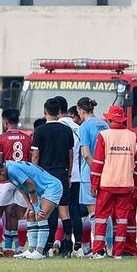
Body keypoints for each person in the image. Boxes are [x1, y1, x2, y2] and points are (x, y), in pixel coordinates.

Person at [90, 106, 137, 259]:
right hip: (126, 185)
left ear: (111, 119)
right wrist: (134, 179)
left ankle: (99, 251)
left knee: (101, 218)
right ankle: (118, 252)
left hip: (106, 184)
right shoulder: (133, 136)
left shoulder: (104, 136)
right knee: (122, 219)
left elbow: (97, 163)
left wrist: (94, 184)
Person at [0, 160, 63, 260]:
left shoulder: (12, 169)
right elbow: (21, 187)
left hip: (51, 187)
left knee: (41, 215)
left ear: (1, 171)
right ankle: (31, 250)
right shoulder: (7, 171)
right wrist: (29, 205)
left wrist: (35, 206)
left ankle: (39, 251)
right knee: (30, 215)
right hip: (40, 191)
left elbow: (30, 184)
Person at [30, 98, 74, 257]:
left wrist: (34, 175)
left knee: (45, 212)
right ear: (60, 112)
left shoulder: (40, 131)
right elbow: (71, 155)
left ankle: (45, 247)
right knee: (65, 213)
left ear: (45, 111)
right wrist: (69, 174)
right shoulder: (66, 130)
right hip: (62, 173)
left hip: (45, 175)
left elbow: (35, 156)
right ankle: (68, 246)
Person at [0, 107, 33, 255]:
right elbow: (30, 160)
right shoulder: (28, 138)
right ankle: (21, 248)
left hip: (6, 180)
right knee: (22, 214)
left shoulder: (1, 138)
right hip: (22, 179)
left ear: (5, 121)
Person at [76, 96, 110, 257]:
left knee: (94, 214)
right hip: (108, 173)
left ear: (81, 111)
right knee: (105, 213)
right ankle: (110, 247)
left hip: (90, 175)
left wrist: (96, 171)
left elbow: (87, 155)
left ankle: (98, 249)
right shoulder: (105, 123)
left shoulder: (84, 126)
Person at [55, 96, 82, 257]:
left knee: (58, 211)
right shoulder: (79, 128)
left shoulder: (55, 126)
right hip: (77, 175)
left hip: (59, 174)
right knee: (74, 210)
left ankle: (59, 244)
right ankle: (78, 245)